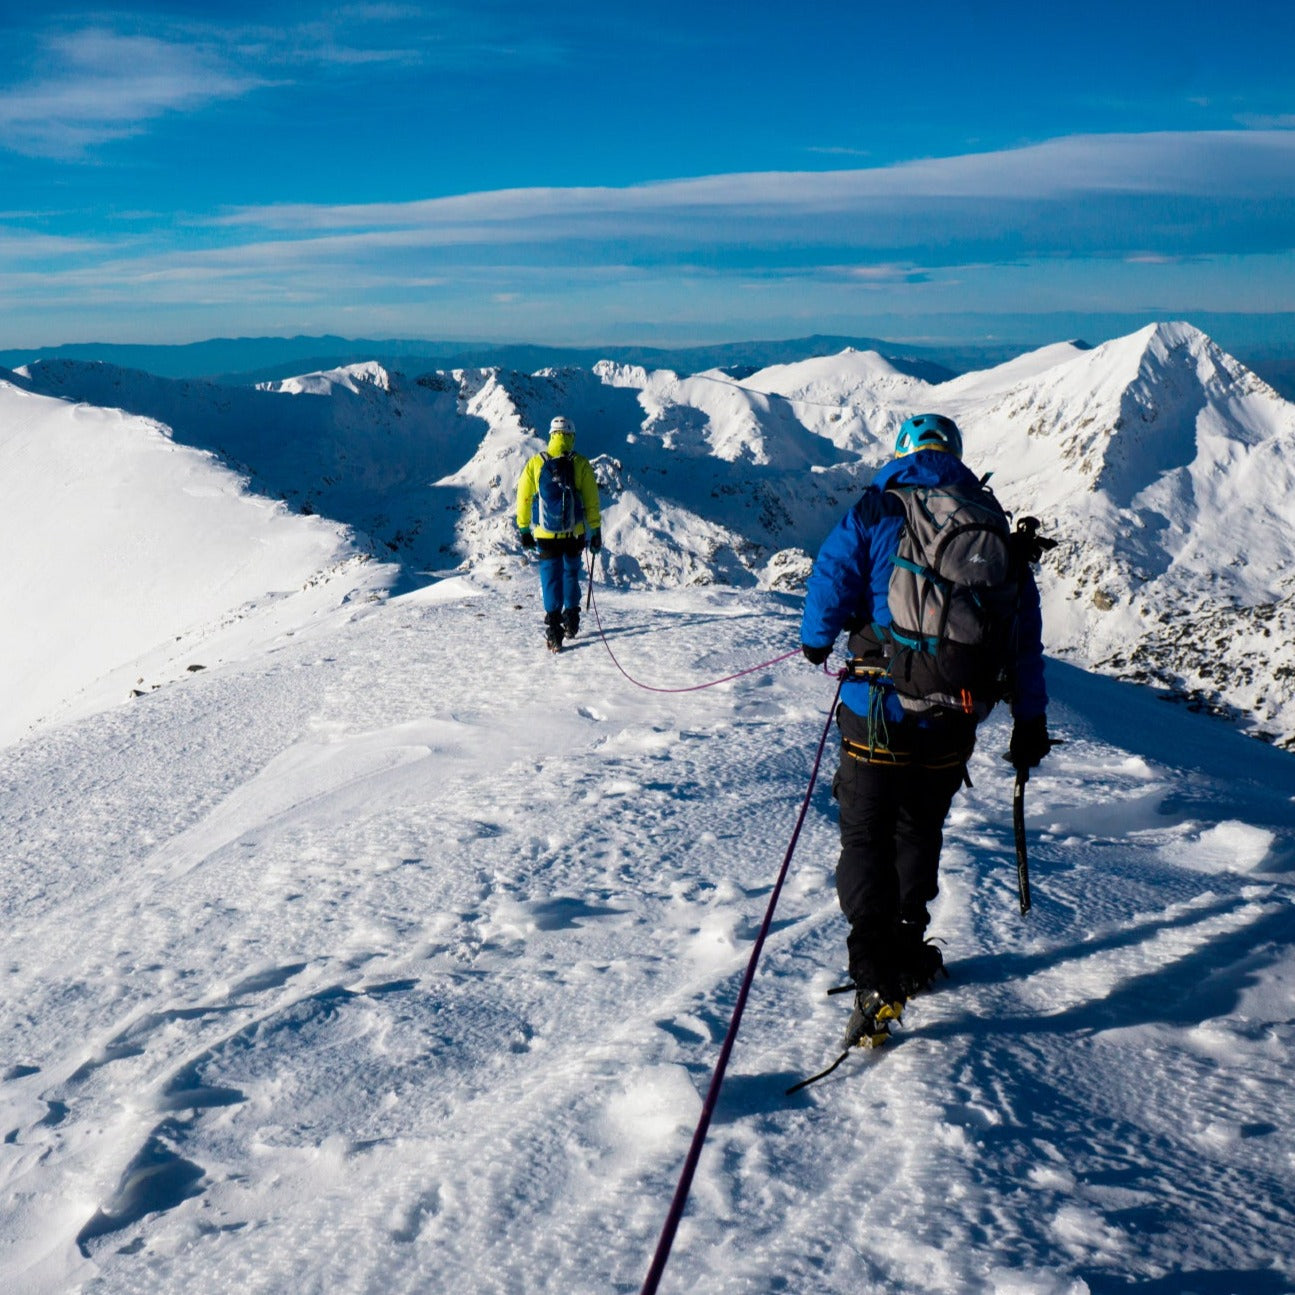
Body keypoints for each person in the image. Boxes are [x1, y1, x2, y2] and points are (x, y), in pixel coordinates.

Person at [800, 413, 1051, 1050]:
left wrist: (814, 643)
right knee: (919, 827)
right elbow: (1023, 637)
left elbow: (831, 580)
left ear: (902, 452)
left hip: (876, 704)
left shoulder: (879, 506)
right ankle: (908, 944)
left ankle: (873, 965)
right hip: (955, 714)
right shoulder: (989, 522)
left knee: (865, 829)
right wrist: (1030, 720)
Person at [516, 415, 603, 652]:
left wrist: (524, 527)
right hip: (574, 533)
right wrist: (595, 530)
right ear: (571, 436)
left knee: (550, 577)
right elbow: (591, 501)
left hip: (545, 533)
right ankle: (572, 620)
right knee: (571, 573)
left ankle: (554, 629)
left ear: (551, 436)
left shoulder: (536, 462)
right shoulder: (580, 463)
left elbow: (523, 497)